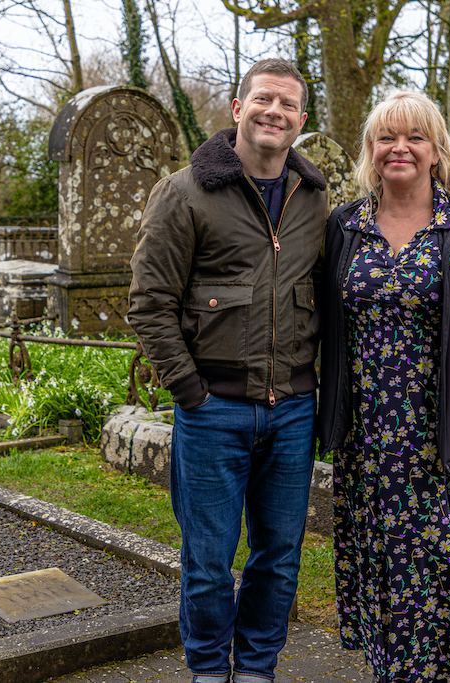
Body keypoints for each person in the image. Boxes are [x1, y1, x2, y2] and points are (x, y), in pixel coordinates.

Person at [127, 58, 328, 683]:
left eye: (288, 105)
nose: (275, 112)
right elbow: (149, 303)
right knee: (209, 560)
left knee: (279, 558)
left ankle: (258, 669)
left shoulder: (315, 199)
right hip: (214, 409)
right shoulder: (184, 192)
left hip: (293, 410)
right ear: (237, 109)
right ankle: (211, 671)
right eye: (263, 99)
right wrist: (189, 390)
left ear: (300, 121)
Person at [316, 90, 450, 683]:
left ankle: (442, 668)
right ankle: (396, 669)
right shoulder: (343, 227)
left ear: (436, 150)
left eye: (414, 137)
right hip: (369, 431)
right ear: (371, 151)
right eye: (386, 137)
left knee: (437, 558)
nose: (399, 148)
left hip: (442, 430)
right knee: (384, 555)